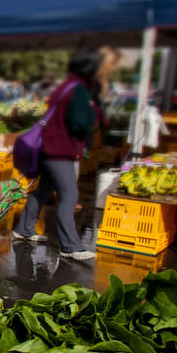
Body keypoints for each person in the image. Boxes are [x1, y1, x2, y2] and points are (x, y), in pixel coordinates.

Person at [13, 48, 118, 261]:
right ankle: (71, 246)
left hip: (49, 148)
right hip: (60, 151)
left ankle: (24, 229)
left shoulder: (66, 86)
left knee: (44, 190)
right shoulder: (79, 90)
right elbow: (81, 122)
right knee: (69, 196)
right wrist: (95, 110)